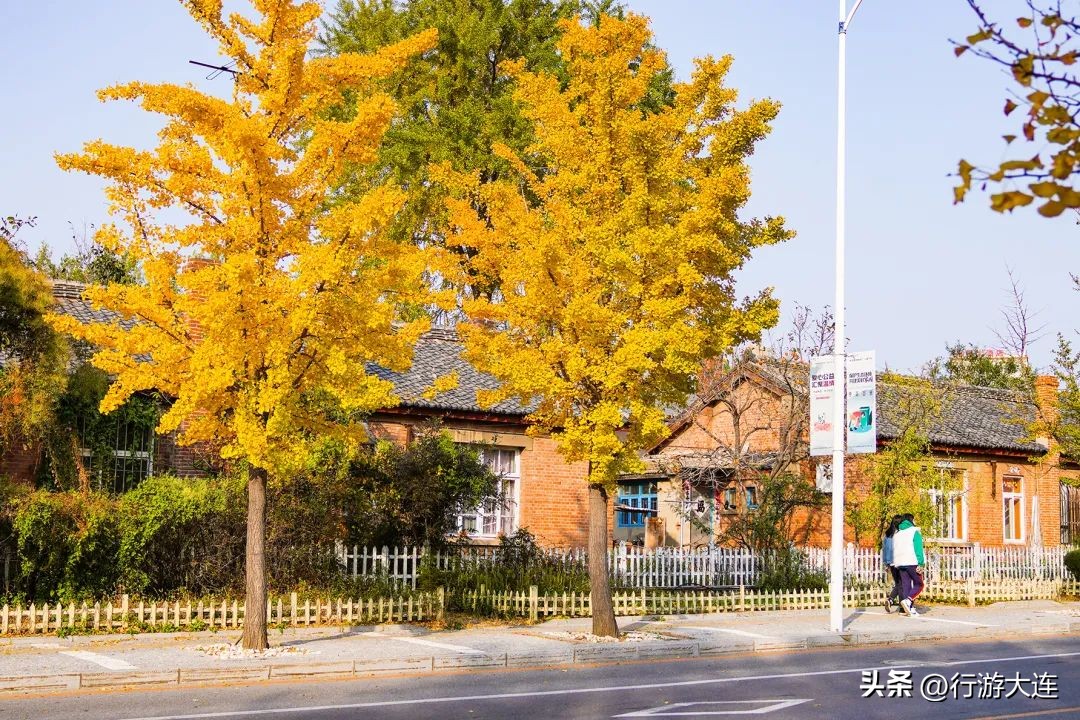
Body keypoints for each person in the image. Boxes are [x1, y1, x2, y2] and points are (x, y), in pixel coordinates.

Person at [891, 512, 925, 616]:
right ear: (911, 520)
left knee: (906, 585)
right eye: (914, 519)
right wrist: (921, 563)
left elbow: (895, 549)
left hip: (900, 563)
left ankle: (906, 609)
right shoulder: (914, 531)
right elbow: (918, 548)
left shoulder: (897, 534)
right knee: (919, 584)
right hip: (912, 562)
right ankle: (908, 601)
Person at [881, 515, 903, 613]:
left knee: (898, 583)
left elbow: (885, 549)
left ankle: (890, 600)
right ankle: (902, 606)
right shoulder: (900, 534)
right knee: (902, 583)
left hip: (891, 562)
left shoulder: (887, 535)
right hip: (899, 560)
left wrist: (886, 563)